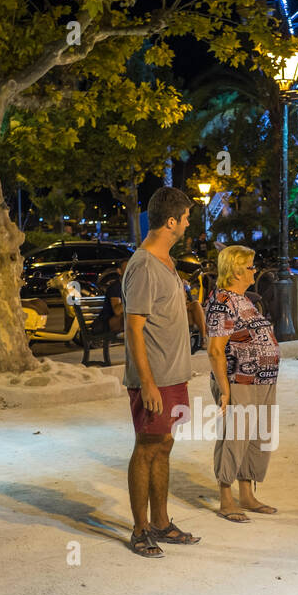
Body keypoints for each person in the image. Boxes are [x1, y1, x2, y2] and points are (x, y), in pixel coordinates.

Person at [124, 186, 205, 557]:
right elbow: (133, 328)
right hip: (154, 380)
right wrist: (147, 383)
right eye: (186, 217)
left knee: (165, 444)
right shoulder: (142, 265)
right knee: (147, 447)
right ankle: (140, 530)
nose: (188, 223)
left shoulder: (167, 262)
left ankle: (161, 522)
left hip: (174, 376)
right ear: (171, 221)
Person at [204, 246, 280, 524]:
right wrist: (225, 389)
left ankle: (246, 494)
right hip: (238, 380)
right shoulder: (223, 300)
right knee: (234, 436)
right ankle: (226, 498)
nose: (254, 270)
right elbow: (214, 349)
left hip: (263, 379)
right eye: (250, 266)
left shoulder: (243, 299)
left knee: (257, 436)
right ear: (236, 270)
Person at [95, 259, 127, 336]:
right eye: (127, 268)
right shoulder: (115, 287)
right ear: (119, 271)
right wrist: (133, 297)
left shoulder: (131, 286)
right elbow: (117, 311)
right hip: (105, 324)